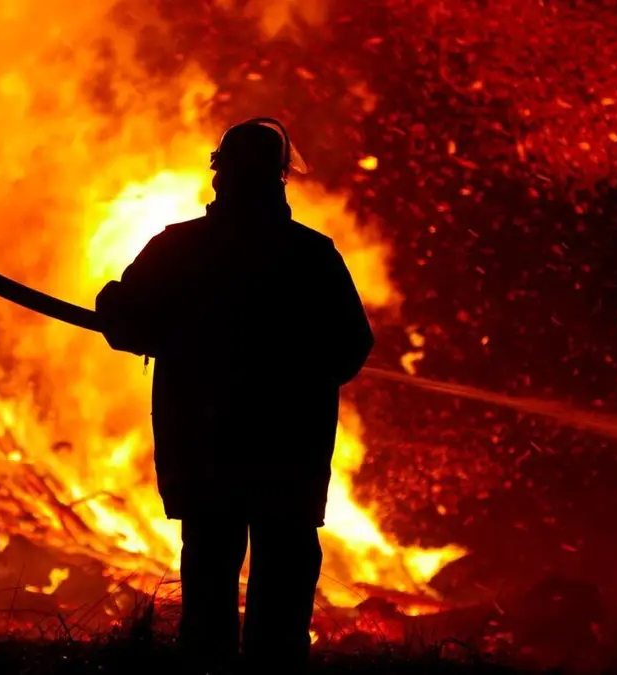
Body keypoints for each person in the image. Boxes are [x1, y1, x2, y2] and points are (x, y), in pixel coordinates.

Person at [95, 118, 374, 674]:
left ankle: (208, 672)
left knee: (210, 573)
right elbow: (352, 346)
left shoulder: (178, 249)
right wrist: (295, 374)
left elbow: (124, 323)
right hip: (288, 455)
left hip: (205, 452)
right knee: (284, 578)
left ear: (220, 176)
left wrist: (118, 306)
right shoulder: (312, 256)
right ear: (281, 179)